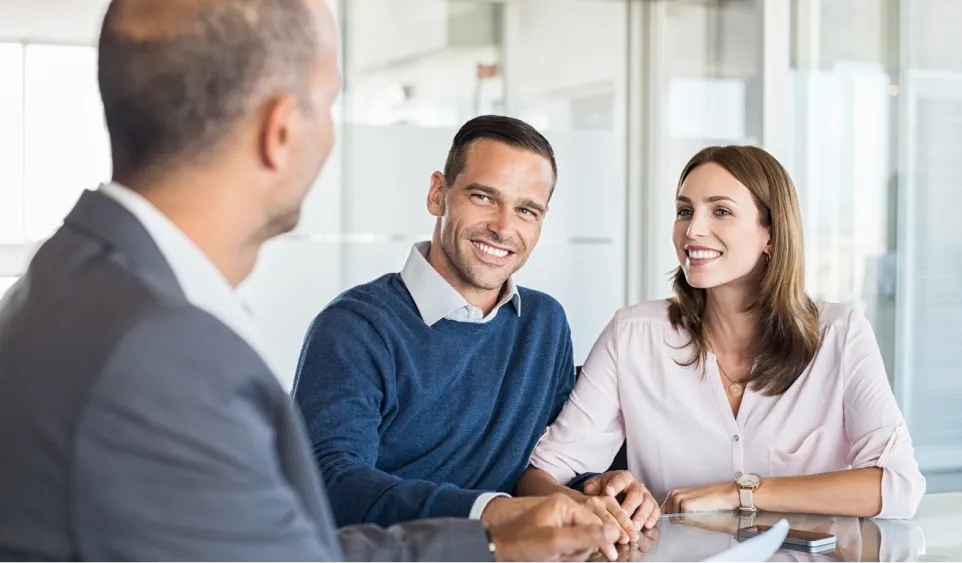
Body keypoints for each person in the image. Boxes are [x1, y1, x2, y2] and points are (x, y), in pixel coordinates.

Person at [0, 1, 619, 561]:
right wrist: (490, 532)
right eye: (329, 105)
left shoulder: (73, 292)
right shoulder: (163, 350)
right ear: (282, 129)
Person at [291, 115, 649, 556]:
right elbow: (331, 483)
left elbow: (545, 465)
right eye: (483, 197)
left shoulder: (544, 323)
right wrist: (494, 512)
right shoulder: (354, 327)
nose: (503, 227)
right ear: (438, 193)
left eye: (526, 210)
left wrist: (596, 489)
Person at [517, 145, 926, 521]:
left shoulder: (839, 335)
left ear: (770, 233)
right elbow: (537, 478)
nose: (693, 230)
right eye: (684, 211)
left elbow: (899, 486)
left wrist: (740, 493)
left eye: (721, 211)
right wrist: (596, 511)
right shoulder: (633, 336)